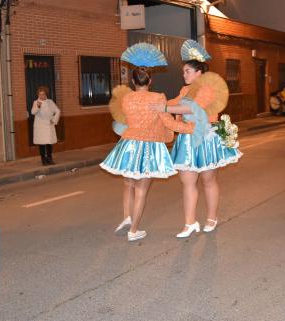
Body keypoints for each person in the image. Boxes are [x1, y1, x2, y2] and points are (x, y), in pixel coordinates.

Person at [101, 67, 195, 242]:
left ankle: (127, 218)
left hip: (128, 145)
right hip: (149, 147)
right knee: (141, 190)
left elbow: (125, 121)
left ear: (133, 81)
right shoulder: (158, 97)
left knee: (128, 184)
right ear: (150, 81)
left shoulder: (127, 98)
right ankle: (133, 230)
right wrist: (191, 128)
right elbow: (169, 123)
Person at [162, 40, 242, 238]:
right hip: (187, 140)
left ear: (199, 72)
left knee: (208, 180)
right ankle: (190, 222)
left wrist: (164, 108)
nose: (184, 75)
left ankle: (211, 217)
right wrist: (156, 102)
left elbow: (192, 108)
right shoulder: (184, 90)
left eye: (187, 71)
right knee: (187, 182)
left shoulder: (207, 89)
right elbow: (175, 102)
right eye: (184, 71)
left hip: (206, 139)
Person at [31, 86, 61, 166]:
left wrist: (54, 120)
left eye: (43, 94)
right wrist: (38, 106)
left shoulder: (50, 102)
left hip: (49, 125)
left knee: (49, 143)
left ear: (45, 94)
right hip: (40, 126)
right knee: (42, 144)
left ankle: (49, 158)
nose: (42, 96)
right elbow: (33, 112)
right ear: (38, 95)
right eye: (40, 94)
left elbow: (58, 111)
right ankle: (43, 160)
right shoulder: (36, 102)